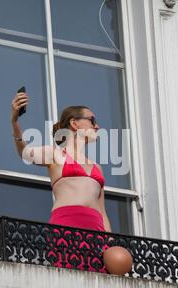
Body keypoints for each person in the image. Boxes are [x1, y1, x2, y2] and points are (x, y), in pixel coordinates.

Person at [10, 91, 112, 273]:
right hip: (67, 224)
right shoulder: (55, 154)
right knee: (69, 277)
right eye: (92, 120)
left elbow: (102, 211)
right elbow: (24, 153)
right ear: (74, 123)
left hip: (96, 230)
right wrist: (15, 122)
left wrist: (110, 244)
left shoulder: (98, 167)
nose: (97, 126)